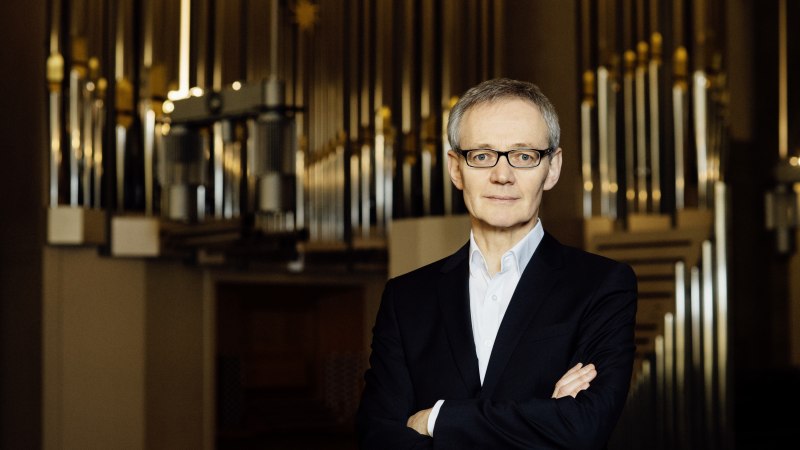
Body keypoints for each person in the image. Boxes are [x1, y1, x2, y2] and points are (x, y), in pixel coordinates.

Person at [355, 78, 638, 449]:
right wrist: (541, 418)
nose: (502, 175)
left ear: (552, 168)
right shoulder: (405, 298)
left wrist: (437, 419)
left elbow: (583, 427)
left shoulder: (602, 285)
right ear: (456, 169)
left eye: (523, 156)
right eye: (482, 155)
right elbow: (379, 439)